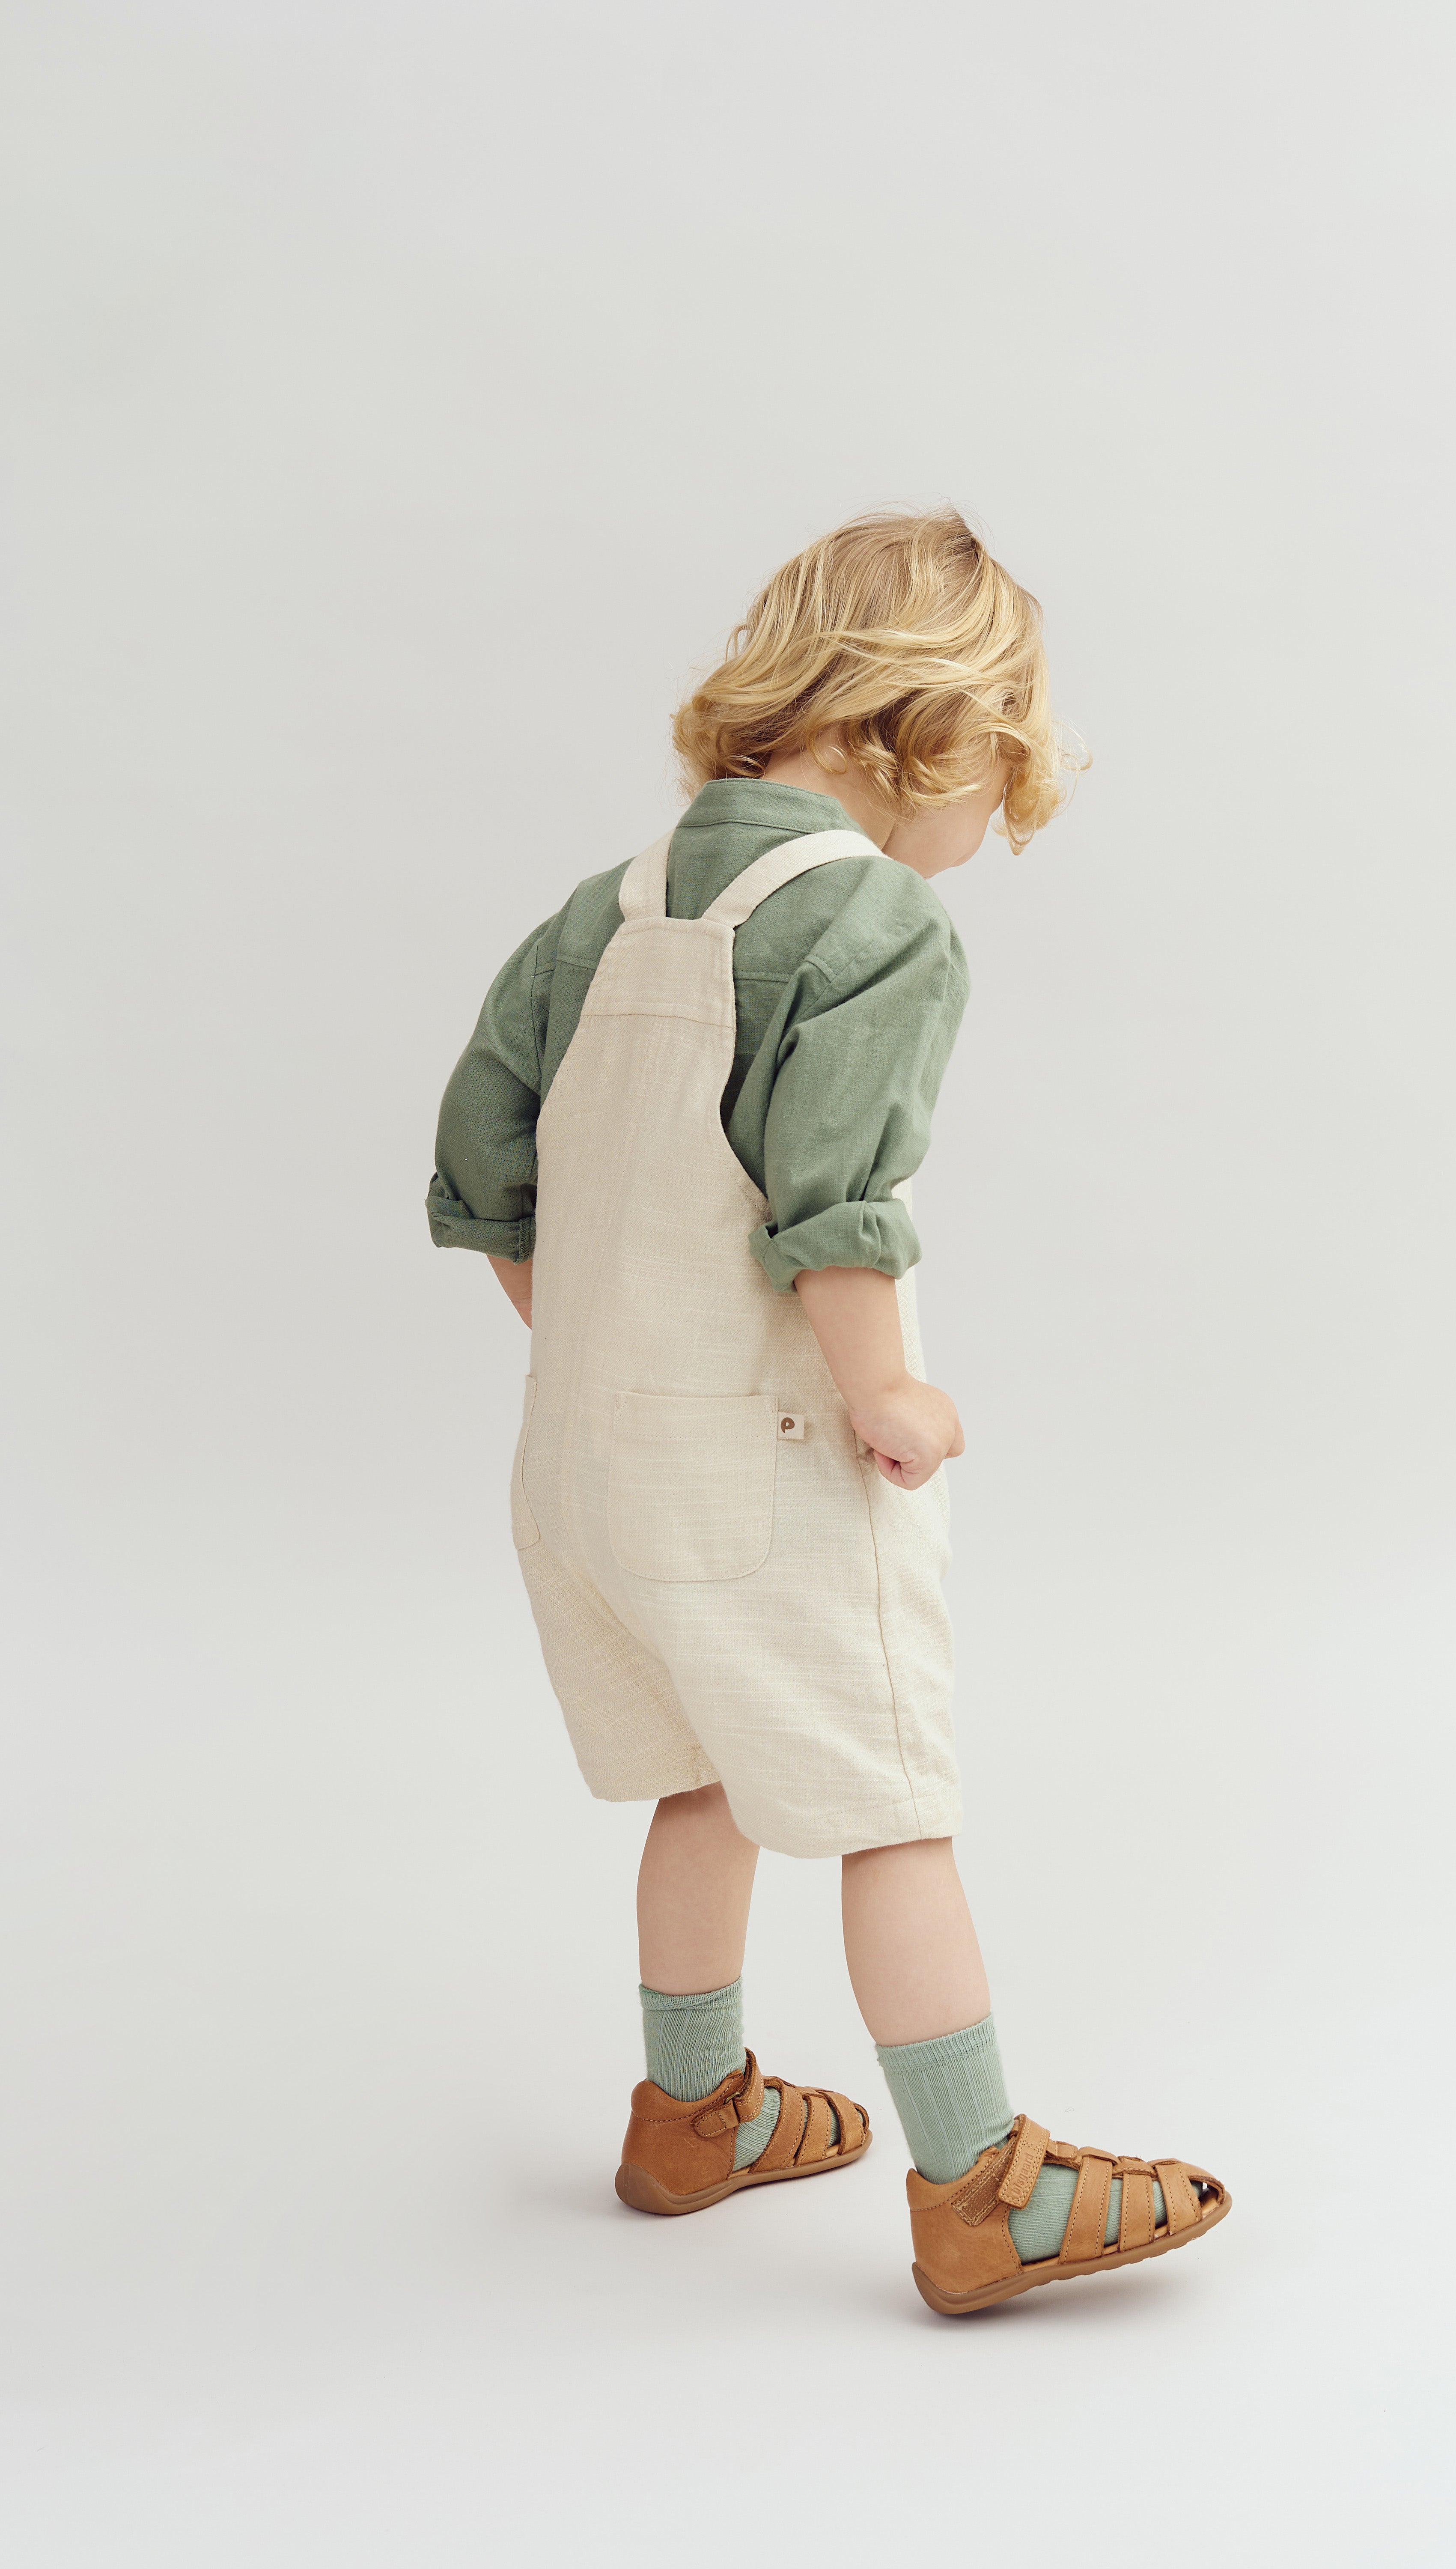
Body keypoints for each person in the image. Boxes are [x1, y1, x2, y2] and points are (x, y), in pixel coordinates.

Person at [427, 508, 1228, 2313]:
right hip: (767, 1464)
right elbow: (831, 1204)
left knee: (701, 1778)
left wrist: (608, 1341)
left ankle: (692, 2111)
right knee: (891, 1801)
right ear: (919, 733)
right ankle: (982, 2189)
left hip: (580, 1465)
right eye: (991, 787)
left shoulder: (610, 904)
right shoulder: (867, 919)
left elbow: (484, 1169)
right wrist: (890, 1395)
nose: (978, 840)